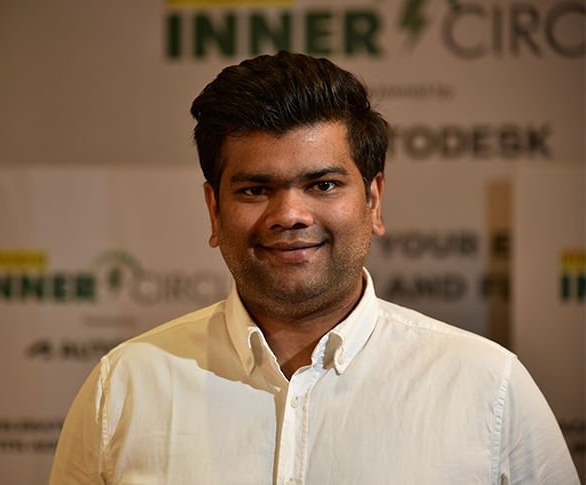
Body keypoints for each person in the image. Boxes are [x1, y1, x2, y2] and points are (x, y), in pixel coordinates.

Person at [49, 51, 578, 484]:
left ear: (373, 200)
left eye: (323, 185)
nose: (290, 215)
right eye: (255, 189)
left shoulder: (489, 387)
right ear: (214, 210)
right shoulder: (124, 386)